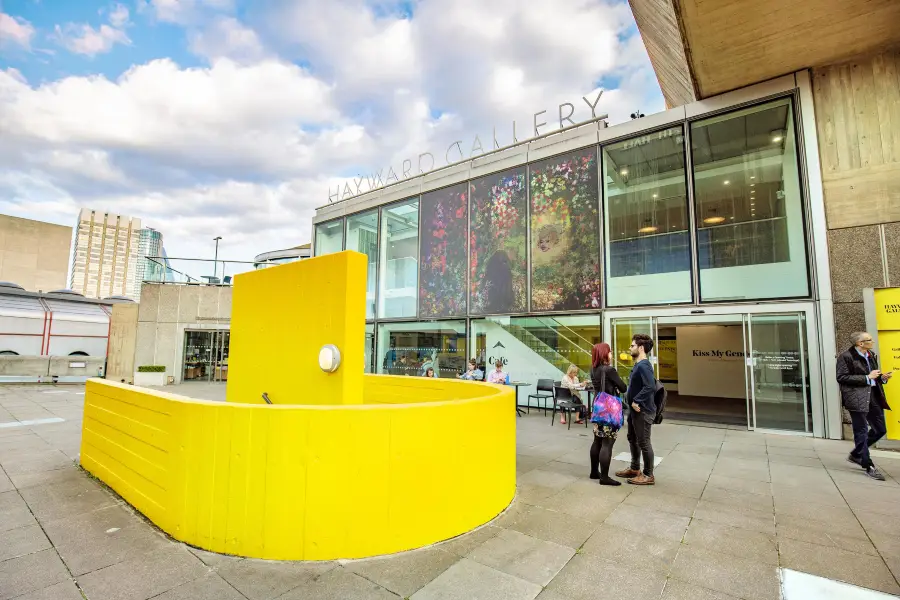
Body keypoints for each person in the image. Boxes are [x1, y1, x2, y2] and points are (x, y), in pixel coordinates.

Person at [837, 331, 893, 481]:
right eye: (868, 340)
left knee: (880, 429)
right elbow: (841, 377)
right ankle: (868, 465)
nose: (872, 341)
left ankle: (856, 454)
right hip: (857, 399)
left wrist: (882, 378)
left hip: (873, 396)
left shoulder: (870, 355)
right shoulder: (846, 357)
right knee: (861, 431)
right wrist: (867, 378)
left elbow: (875, 376)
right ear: (859, 343)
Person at [616, 333, 657, 486]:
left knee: (644, 442)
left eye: (632, 345)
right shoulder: (638, 364)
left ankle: (648, 474)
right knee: (633, 438)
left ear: (640, 348)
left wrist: (636, 401)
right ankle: (635, 468)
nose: (630, 348)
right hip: (635, 411)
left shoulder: (644, 365)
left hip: (643, 410)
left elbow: (650, 386)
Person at [589, 343, 628, 486]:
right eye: (610, 352)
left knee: (597, 440)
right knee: (607, 443)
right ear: (605, 354)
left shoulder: (593, 369)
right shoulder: (609, 370)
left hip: (598, 407)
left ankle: (594, 471)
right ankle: (604, 477)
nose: (612, 354)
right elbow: (623, 388)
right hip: (609, 411)